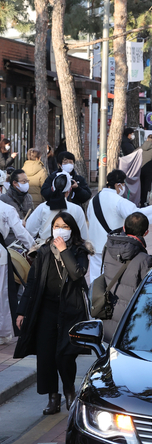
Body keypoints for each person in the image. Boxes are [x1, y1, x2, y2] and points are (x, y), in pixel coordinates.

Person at [14, 211, 93, 414]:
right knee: (46, 355)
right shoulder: (43, 251)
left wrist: (64, 250)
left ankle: (69, 389)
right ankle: (52, 397)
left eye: (65, 227)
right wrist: (22, 311)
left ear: (72, 230)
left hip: (70, 309)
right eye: (57, 225)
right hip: (46, 309)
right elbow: (32, 283)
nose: (60, 229)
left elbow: (76, 273)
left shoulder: (79, 250)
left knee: (66, 355)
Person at [86, 169, 152, 280]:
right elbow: (137, 216)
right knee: (110, 277)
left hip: (94, 245)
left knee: (95, 277)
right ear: (118, 185)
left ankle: (93, 297)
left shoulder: (93, 200)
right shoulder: (118, 201)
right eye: (123, 184)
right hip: (112, 247)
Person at [100, 212, 152, 341]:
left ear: (124, 228)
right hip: (129, 319)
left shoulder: (109, 248)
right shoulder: (144, 259)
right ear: (146, 233)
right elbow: (148, 288)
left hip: (108, 312)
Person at [0, 201, 33, 345]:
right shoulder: (6, 208)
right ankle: (3, 331)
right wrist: (34, 248)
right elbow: (20, 232)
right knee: (2, 294)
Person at [27, 173, 88, 243]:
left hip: (45, 249)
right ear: (69, 190)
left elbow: (29, 230)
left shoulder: (42, 207)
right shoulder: (77, 209)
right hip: (70, 251)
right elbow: (83, 236)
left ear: (52, 188)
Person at [140, 134, 152, 206]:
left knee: (140, 185)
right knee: (147, 186)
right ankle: (145, 201)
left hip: (140, 170)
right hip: (149, 171)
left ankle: (139, 200)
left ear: (147, 139)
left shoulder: (140, 148)